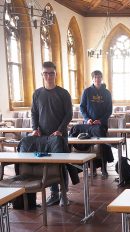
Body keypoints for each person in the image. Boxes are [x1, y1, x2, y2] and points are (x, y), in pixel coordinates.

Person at [31, 61, 73, 206]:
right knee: (48, 165)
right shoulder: (37, 94)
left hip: (60, 136)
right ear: (42, 75)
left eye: (51, 73)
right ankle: (54, 193)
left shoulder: (63, 93)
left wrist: (60, 130)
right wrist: (34, 128)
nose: (49, 76)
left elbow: (69, 114)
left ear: (56, 74)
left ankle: (64, 194)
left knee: (61, 164)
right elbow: (34, 113)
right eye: (46, 73)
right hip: (43, 136)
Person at [79, 70, 113, 178]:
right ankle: (92, 168)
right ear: (92, 79)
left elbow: (109, 110)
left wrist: (101, 120)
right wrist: (87, 118)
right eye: (95, 77)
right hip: (89, 124)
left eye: (99, 77)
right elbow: (82, 107)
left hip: (102, 124)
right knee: (90, 147)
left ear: (101, 78)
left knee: (103, 146)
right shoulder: (87, 91)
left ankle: (104, 168)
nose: (97, 79)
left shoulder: (107, 93)